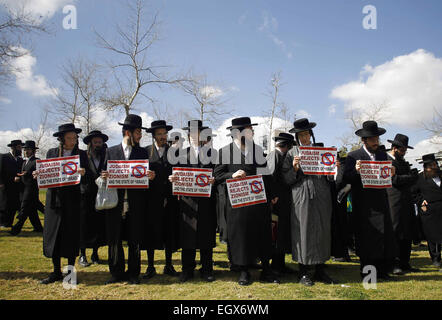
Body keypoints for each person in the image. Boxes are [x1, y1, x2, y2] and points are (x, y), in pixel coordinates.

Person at [214, 117, 279, 286]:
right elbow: (217, 175)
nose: (252, 133)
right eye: (249, 130)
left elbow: (267, 176)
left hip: (258, 202)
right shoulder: (224, 152)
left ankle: (266, 269)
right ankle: (243, 271)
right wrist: (232, 175)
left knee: (262, 235)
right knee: (241, 237)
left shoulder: (257, 151)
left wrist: (272, 194)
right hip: (238, 205)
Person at [101, 114, 155, 285]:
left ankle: (133, 273)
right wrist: (104, 176)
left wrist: (150, 176)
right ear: (127, 132)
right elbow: (100, 175)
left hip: (135, 203)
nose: (140, 136)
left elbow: (146, 177)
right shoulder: (110, 151)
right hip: (115, 204)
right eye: (138, 132)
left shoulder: (142, 152)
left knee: (134, 239)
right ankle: (116, 273)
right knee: (114, 240)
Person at [281, 119, 336, 286]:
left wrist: (334, 168)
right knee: (302, 231)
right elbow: (286, 178)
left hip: (321, 195)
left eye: (306, 134)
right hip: (301, 196)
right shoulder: (292, 153)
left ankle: (320, 269)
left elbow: (332, 177)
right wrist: (295, 169)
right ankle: (303, 272)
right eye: (301, 135)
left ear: (311, 135)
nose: (304, 138)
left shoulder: (321, 151)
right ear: (297, 137)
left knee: (322, 229)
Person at [343, 120, 397, 280]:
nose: (376, 142)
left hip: (381, 202)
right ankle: (368, 274)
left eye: (377, 138)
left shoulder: (382, 155)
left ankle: (382, 271)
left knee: (382, 238)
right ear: (364, 140)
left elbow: (388, 178)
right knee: (366, 241)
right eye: (372, 139)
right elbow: (347, 178)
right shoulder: (354, 156)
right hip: (364, 206)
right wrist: (356, 171)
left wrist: (392, 172)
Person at [37, 124, 88, 285]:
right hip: (54, 203)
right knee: (55, 237)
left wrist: (83, 173)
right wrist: (38, 173)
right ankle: (55, 271)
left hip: (72, 202)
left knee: (71, 237)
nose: (73, 141)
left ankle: (70, 273)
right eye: (69, 138)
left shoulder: (81, 155)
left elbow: (89, 177)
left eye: (75, 138)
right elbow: (47, 173)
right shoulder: (52, 153)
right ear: (61, 139)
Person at [169, 120, 218, 282]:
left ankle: (207, 269)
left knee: (206, 236)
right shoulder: (180, 154)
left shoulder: (213, 154)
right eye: (192, 134)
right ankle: (187, 269)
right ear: (188, 136)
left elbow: (218, 174)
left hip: (206, 202)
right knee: (187, 237)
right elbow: (174, 175)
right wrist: (172, 178)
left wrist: (214, 180)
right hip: (187, 202)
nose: (195, 137)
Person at [142, 120, 180, 279]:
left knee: (169, 231)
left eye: (164, 133)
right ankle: (150, 266)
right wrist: (147, 176)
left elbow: (181, 171)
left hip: (170, 198)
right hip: (152, 199)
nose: (163, 136)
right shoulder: (145, 152)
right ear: (153, 136)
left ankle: (169, 264)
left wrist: (177, 177)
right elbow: (138, 174)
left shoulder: (174, 152)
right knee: (151, 232)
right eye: (159, 134)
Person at [386, 134, 420, 274]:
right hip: (394, 201)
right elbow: (394, 180)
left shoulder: (403, 162)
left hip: (407, 200)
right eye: (402, 150)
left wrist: (409, 177)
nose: (404, 153)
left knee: (407, 231)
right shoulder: (386, 160)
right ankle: (394, 263)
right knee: (395, 231)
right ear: (395, 148)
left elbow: (410, 179)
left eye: (405, 150)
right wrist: (409, 177)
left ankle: (405, 262)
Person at [78, 130, 109, 267]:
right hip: (85, 195)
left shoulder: (106, 156)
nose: (98, 144)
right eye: (95, 142)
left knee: (98, 225)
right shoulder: (82, 156)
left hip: (101, 195)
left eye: (100, 142)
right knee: (84, 225)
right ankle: (82, 255)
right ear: (90, 143)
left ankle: (95, 253)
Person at [266, 132, 295, 276]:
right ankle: (275, 266)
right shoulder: (275, 155)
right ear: (287, 146)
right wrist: (273, 195)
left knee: (282, 233)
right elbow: (270, 176)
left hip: (283, 200)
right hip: (276, 201)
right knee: (276, 234)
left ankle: (281, 264)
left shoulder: (281, 156)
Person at [413, 153, 442, 271]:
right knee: (433, 235)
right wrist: (421, 201)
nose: (434, 167)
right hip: (430, 209)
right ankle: (435, 258)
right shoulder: (419, 178)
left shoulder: (440, 175)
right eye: (431, 165)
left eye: (435, 164)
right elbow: (413, 193)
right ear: (426, 167)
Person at [10, 141, 43, 235]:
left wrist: (28, 173)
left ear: (33, 151)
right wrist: (19, 177)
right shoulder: (24, 162)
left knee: (24, 209)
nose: (26, 151)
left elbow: (39, 172)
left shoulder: (36, 161)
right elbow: (22, 173)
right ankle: (38, 227)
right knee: (33, 209)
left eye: (28, 150)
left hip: (31, 189)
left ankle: (16, 229)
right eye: (25, 150)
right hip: (24, 188)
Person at [0, 140, 24, 228]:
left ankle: (9, 223)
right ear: (13, 147)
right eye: (19, 147)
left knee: (13, 205)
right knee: (4, 205)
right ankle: (2, 223)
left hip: (16, 187)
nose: (21, 150)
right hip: (5, 186)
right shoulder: (4, 157)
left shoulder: (20, 160)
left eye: (21, 147)